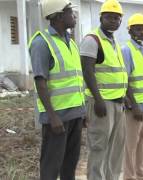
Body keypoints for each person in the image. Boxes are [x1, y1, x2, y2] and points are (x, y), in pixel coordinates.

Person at [29, 0, 85, 179]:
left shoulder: (71, 43)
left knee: (70, 165)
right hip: (57, 118)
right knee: (51, 166)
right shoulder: (41, 43)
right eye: (70, 12)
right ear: (59, 16)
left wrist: (82, 112)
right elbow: (40, 81)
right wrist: (52, 116)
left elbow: (76, 80)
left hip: (75, 114)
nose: (74, 15)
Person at [80, 0, 127, 179]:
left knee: (116, 149)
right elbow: (87, 71)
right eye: (109, 17)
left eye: (117, 18)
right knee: (99, 148)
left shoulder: (113, 41)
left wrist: (125, 96)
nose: (113, 21)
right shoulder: (92, 40)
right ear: (101, 18)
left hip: (118, 103)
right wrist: (98, 99)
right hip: (101, 104)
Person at [121, 13, 143, 180]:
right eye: (138, 29)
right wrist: (134, 106)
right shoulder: (127, 50)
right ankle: (129, 177)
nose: (142, 32)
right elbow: (124, 80)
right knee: (131, 145)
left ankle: (141, 174)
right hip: (135, 107)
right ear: (130, 31)